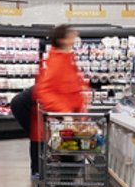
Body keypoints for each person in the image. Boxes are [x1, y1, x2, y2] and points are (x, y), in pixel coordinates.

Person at [30, 24, 90, 153]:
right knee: (60, 156)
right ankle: (37, 172)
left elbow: (70, 85)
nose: (76, 36)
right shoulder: (55, 61)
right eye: (72, 34)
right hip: (56, 118)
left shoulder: (67, 57)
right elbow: (44, 91)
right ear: (62, 40)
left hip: (66, 117)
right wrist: (65, 113)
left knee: (69, 155)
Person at [9, 84, 38, 175]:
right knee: (37, 137)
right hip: (21, 106)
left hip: (23, 104)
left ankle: (37, 169)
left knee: (37, 136)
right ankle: (36, 171)